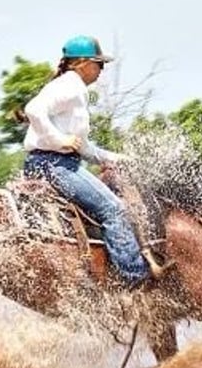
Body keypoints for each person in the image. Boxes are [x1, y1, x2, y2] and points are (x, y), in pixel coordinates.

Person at [22, 35, 165, 288]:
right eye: (99, 64)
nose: (101, 70)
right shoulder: (71, 85)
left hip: (47, 162)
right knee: (114, 209)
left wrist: (116, 158)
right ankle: (134, 279)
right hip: (55, 165)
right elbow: (33, 109)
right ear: (83, 63)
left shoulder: (72, 88)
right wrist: (59, 140)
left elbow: (83, 146)